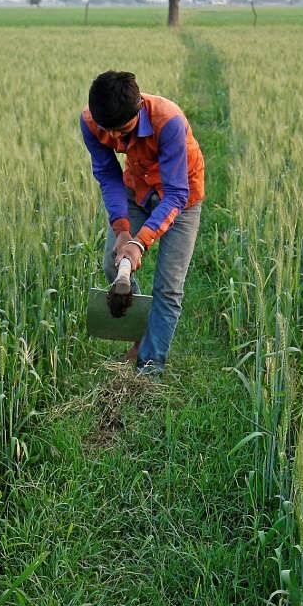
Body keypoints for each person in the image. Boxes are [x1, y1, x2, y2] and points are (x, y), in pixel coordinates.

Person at [80, 70, 205, 376]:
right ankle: (141, 339)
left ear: (138, 108)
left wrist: (139, 242)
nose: (117, 140)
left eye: (123, 130)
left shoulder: (169, 121)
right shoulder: (90, 123)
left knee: (169, 287)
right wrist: (123, 231)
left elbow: (176, 193)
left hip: (182, 198)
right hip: (136, 191)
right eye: (110, 132)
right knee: (114, 264)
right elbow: (108, 175)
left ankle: (150, 368)